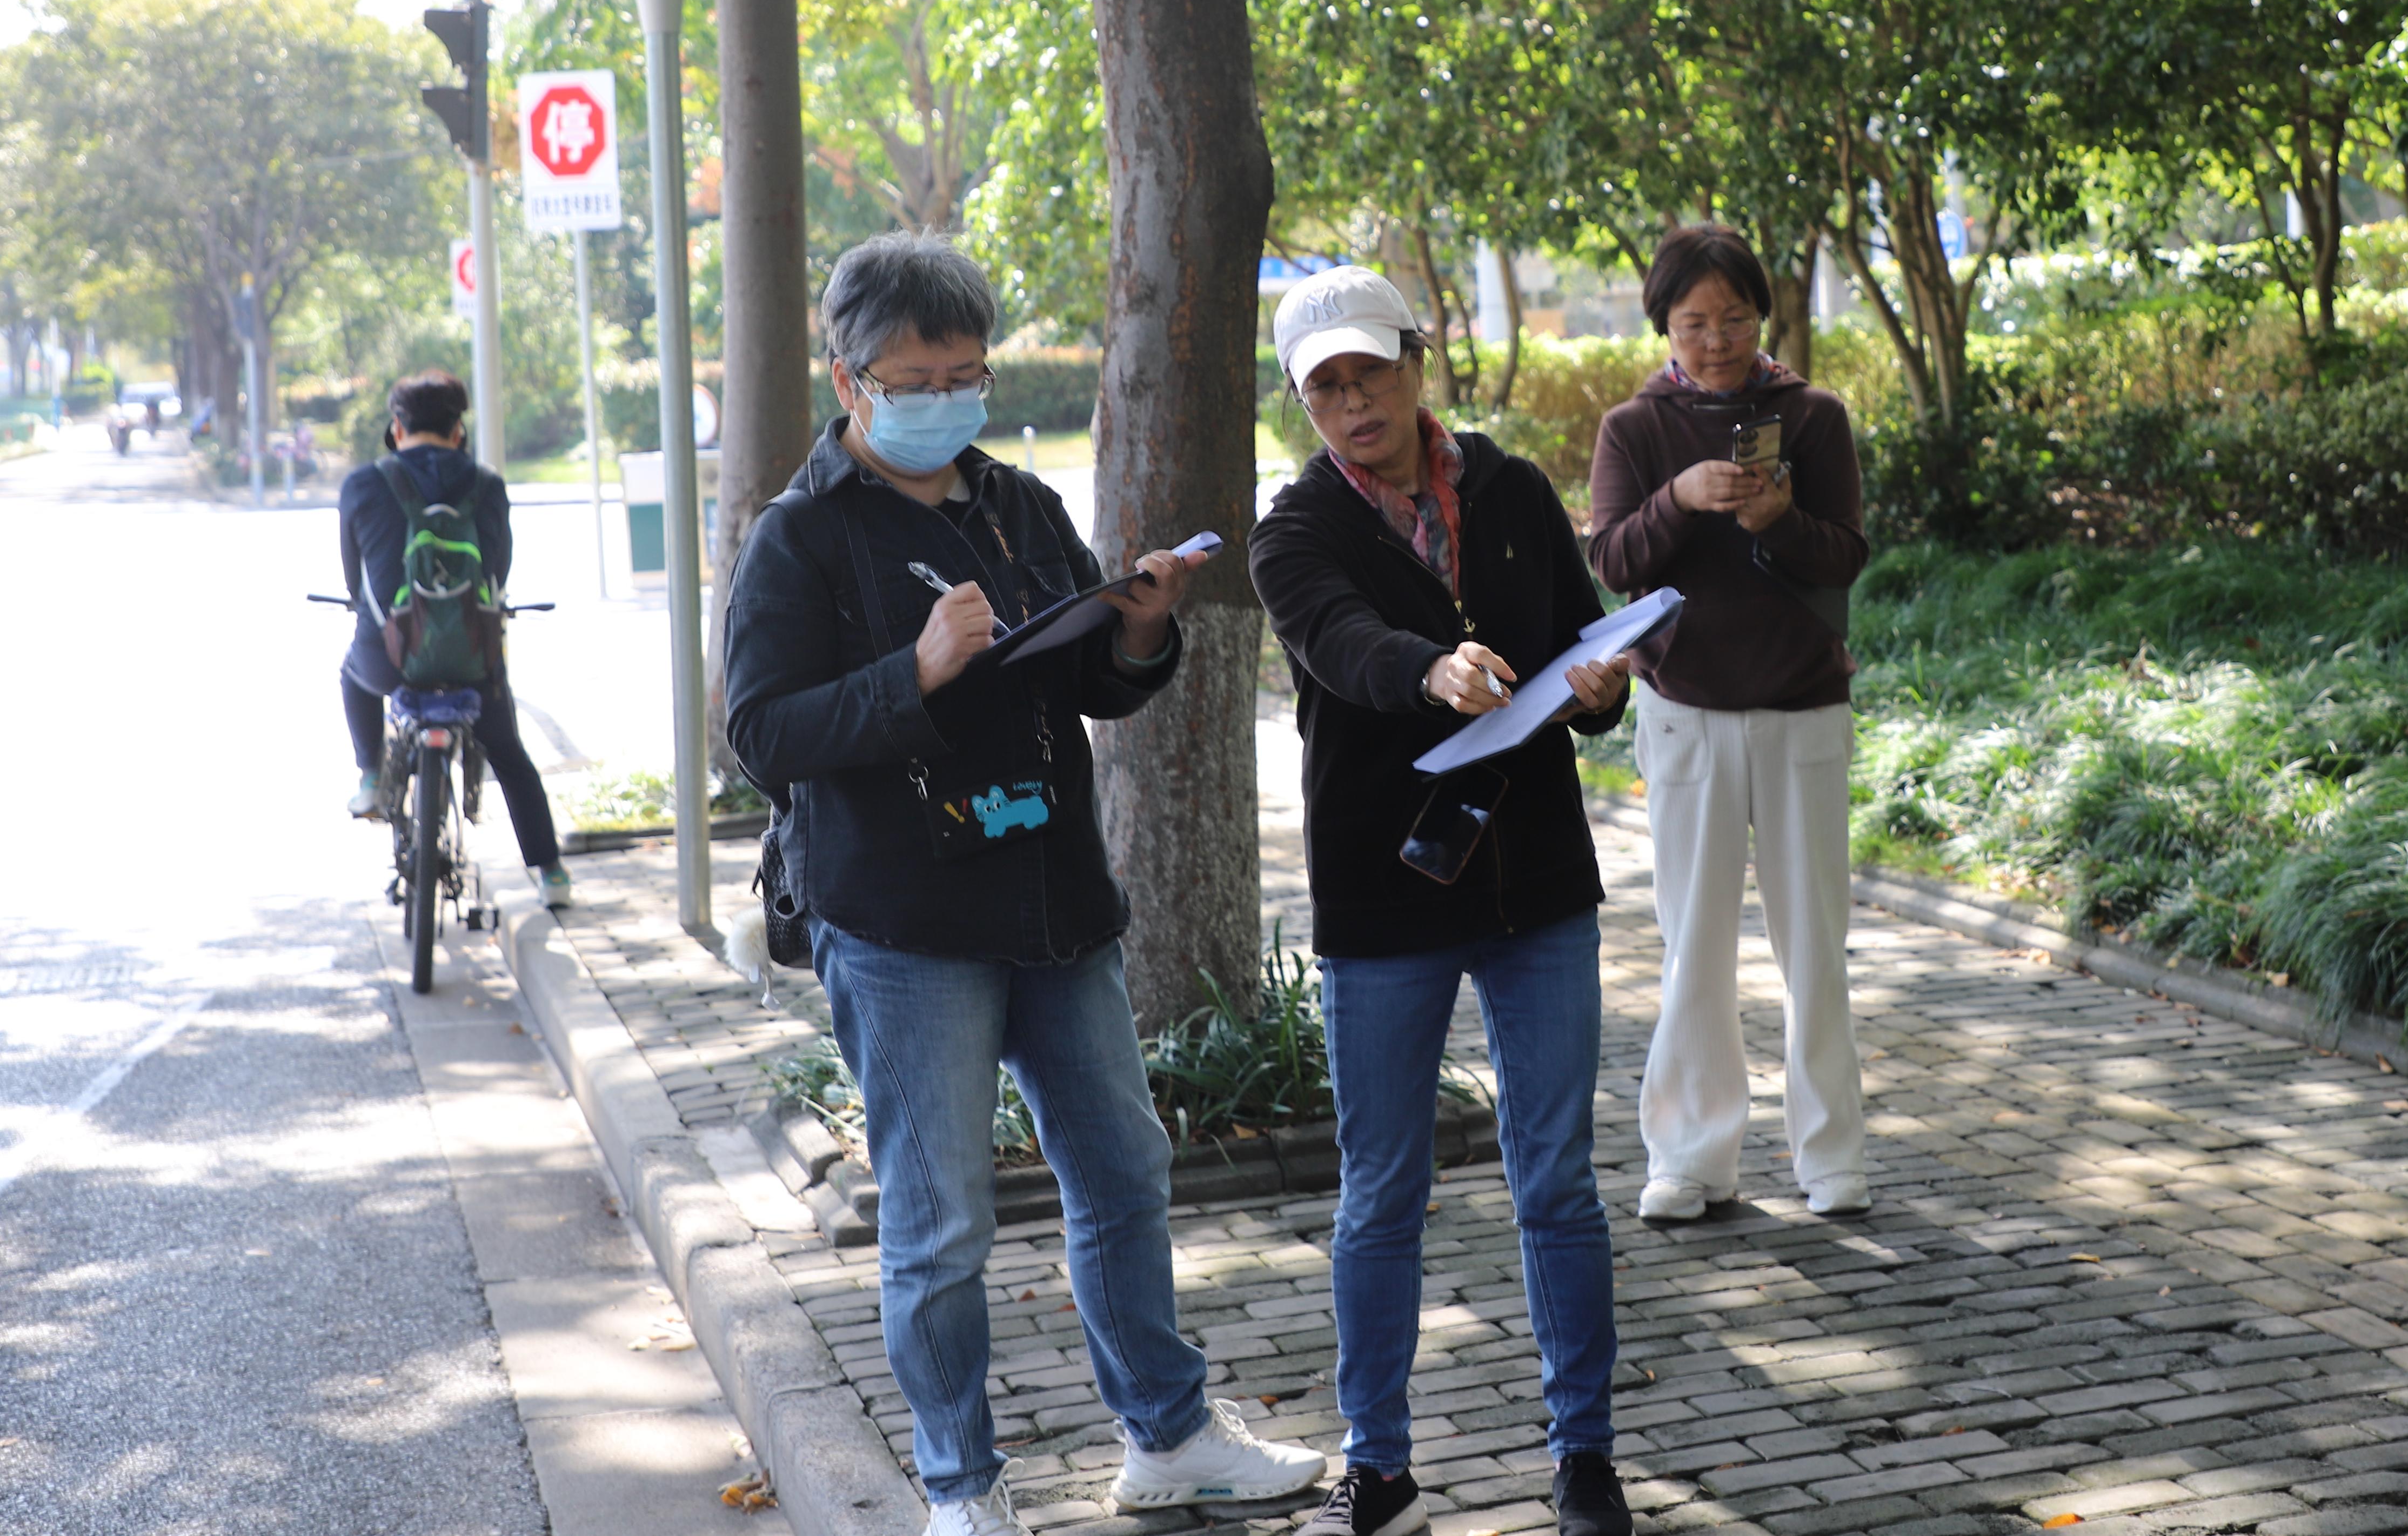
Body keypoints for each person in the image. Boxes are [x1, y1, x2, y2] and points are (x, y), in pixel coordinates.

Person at [720, 232, 1324, 1536]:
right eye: (917, 378)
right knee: (940, 1224)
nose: (948, 397)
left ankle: (1167, 1436)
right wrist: (914, 673)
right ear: (849, 380)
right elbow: (760, 733)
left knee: (1123, 1170)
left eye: (967, 372)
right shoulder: (801, 537)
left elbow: (1087, 681)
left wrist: (1140, 627)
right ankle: (961, 1484)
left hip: (1056, 899)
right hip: (904, 923)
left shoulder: (1016, 504)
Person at [1249, 264, 1636, 1536]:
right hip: (1386, 895)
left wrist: (1599, 684)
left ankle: (1585, 1455)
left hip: (1538, 885)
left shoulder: (1512, 490)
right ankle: (1379, 1465)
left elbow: (1585, 638)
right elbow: (1341, 645)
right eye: (1325, 388)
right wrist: (1433, 670)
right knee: (1380, 1193)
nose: (1353, 403)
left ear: (1419, 364)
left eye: (1370, 373)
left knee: (1557, 1180)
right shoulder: (1293, 531)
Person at [1583, 224, 1871, 1223]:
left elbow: (1844, 555)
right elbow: (1611, 560)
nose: (1716, 342)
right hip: (1685, 711)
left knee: (1814, 944)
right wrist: (1678, 498)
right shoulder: (1635, 429)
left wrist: (1773, 522)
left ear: (1763, 317)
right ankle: (1690, 1159)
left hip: (1802, 708)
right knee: (1692, 945)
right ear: (1663, 325)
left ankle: (1831, 1155)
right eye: (1694, 323)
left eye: (1735, 319)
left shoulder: (1813, 416)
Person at [337, 370, 572, 906]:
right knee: (508, 753)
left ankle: (371, 776)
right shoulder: (487, 485)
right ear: (458, 430)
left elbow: (354, 578)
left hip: (388, 658)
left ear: (397, 428)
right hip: (472, 657)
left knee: (352, 673)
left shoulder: (363, 484)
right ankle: (553, 875)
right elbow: (498, 570)